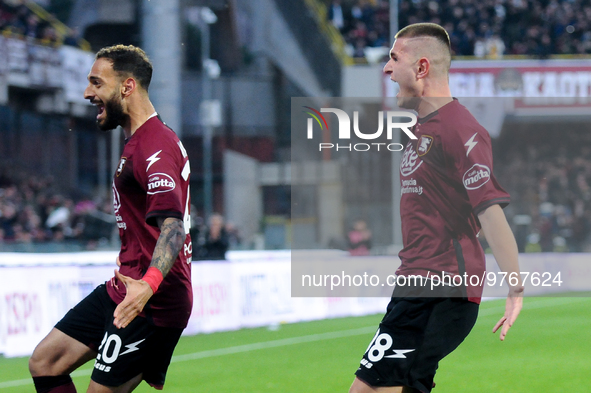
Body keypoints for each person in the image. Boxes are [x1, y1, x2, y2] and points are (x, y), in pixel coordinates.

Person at [349, 23, 523, 393]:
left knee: (370, 390)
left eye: (394, 59)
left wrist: (516, 287)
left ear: (422, 68)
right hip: (417, 283)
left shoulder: (460, 129)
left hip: (441, 286)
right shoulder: (422, 130)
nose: (386, 69)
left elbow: (489, 211)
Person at [28, 45, 193, 393]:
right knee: (45, 362)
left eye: (96, 83)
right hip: (124, 285)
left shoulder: (156, 147)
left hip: (151, 300)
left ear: (127, 87)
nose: (88, 93)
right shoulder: (140, 140)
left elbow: (173, 228)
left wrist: (148, 285)